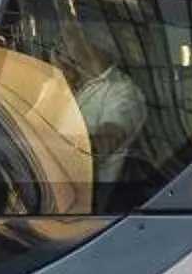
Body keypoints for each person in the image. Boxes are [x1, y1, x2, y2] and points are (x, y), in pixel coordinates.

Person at [58, 20, 145, 193]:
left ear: (91, 45)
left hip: (93, 197)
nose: (60, 46)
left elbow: (108, 140)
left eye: (67, 39)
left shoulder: (122, 91)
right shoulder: (78, 83)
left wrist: (54, 149)